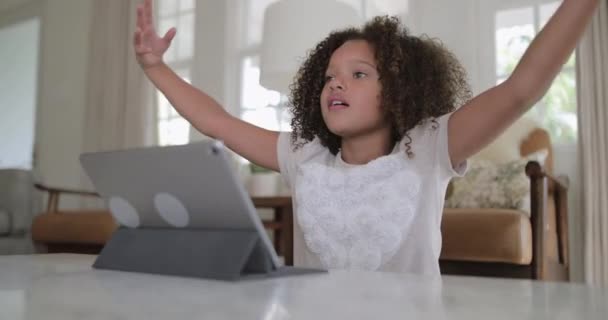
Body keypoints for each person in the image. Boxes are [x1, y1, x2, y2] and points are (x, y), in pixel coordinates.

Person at [133, 0, 599, 275]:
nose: (336, 84)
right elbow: (217, 122)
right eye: (330, 76)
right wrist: (156, 68)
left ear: (398, 90)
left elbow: (521, 88)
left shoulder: (430, 147)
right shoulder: (303, 156)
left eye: (358, 74)